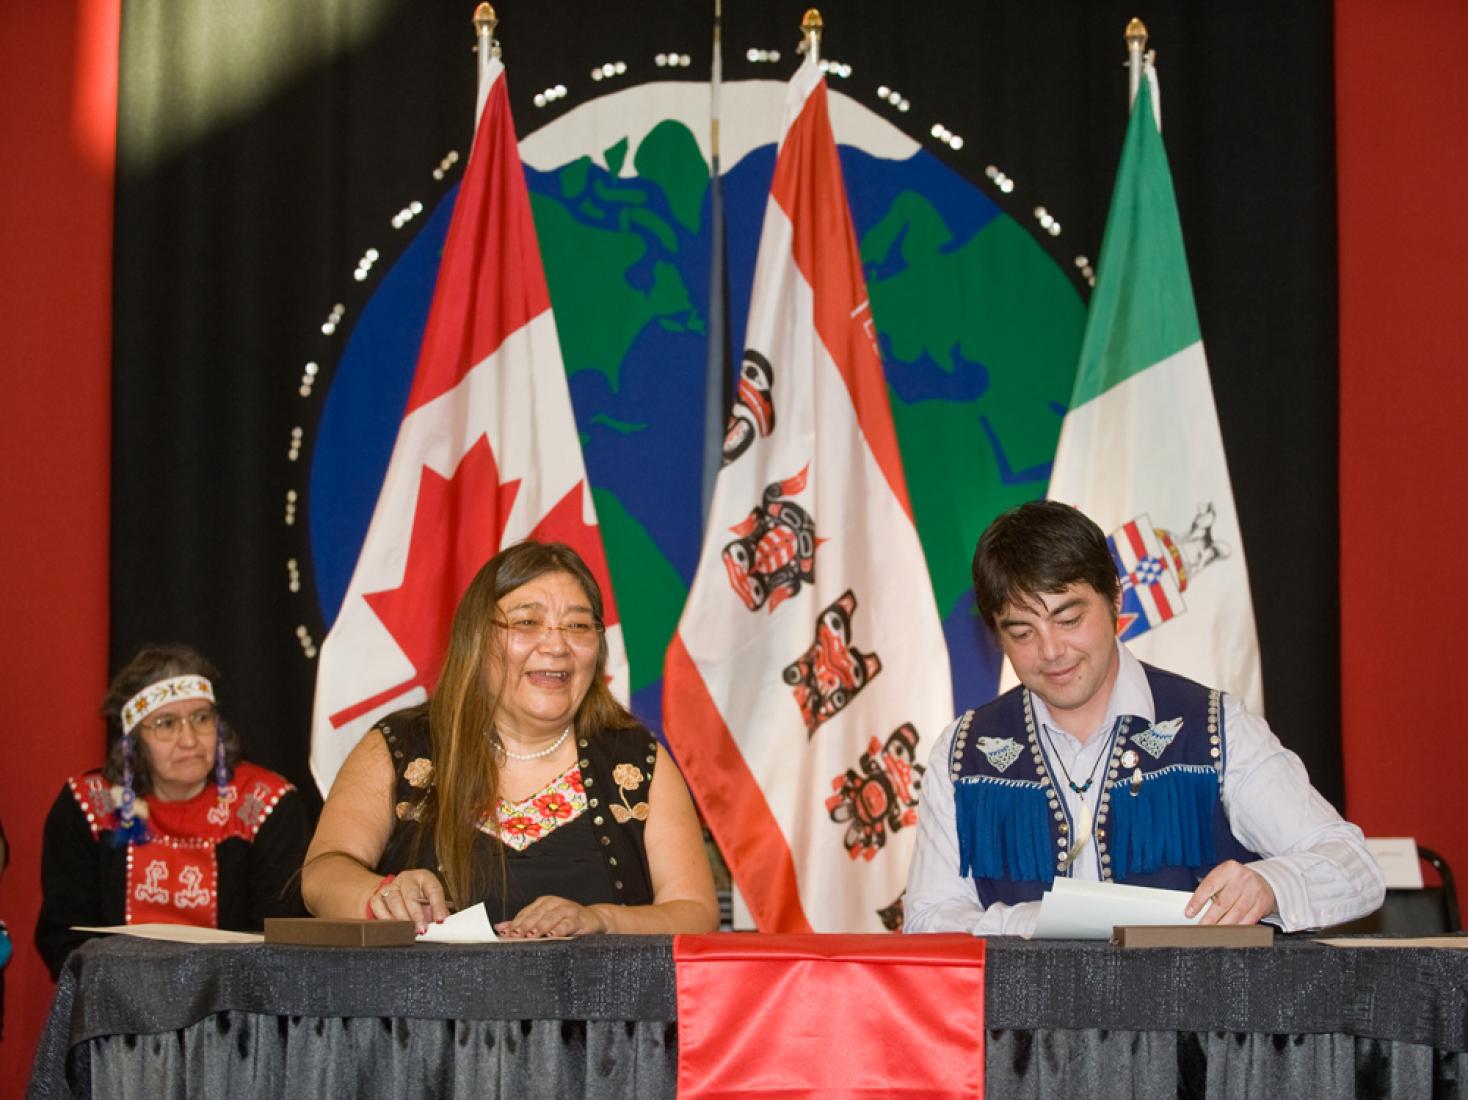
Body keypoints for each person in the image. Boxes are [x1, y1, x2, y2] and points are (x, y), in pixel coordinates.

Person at [905, 501, 1384, 936]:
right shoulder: (964, 750)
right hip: (1028, 1031)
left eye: (1069, 620)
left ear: (1115, 599)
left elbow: (1355, 867)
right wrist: (1042, 922)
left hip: (1193, 1027)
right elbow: (928, 920)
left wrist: (1270, 883)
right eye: (1022, 631)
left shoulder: (1214, 725)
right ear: (996, 635)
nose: (1051, 652)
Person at [302, 540, 719, 937]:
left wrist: (602, 920)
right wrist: (382, 895)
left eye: (578, 626)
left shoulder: (637, 763)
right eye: (527, 622)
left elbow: (696, 913)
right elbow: (323, 874)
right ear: (477, 638)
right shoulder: (399, 747)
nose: (557, 645)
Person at [36, 646, 310, 976]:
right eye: (166, 724)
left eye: (201, 718)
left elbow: (281, 941)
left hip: (234, 1005)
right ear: (133, 742)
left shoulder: (265, 804)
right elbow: (64, 938)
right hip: (116, 1005)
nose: (189, 740)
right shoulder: (90, 806)